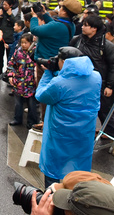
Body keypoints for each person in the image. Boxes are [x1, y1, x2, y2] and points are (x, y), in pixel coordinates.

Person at [36, 47, 101, 187]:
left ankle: (52, 201)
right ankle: (75, 200)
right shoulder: (96, 77)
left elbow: (41, 95)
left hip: (60, 134)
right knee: (79, 171)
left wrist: (48, 73)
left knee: (53, 169)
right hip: (84, 133)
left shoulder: (59, 83)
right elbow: (75, 79)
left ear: (64, 62)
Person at [70, 14, 114, 138]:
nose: (82, 27)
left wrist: (109, 85)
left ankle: (110, 133)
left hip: (99, 82)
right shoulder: (77, 40)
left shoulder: (107, 46)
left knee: (104, 109)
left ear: (94, 29)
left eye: (86, 25)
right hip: (79, 80)